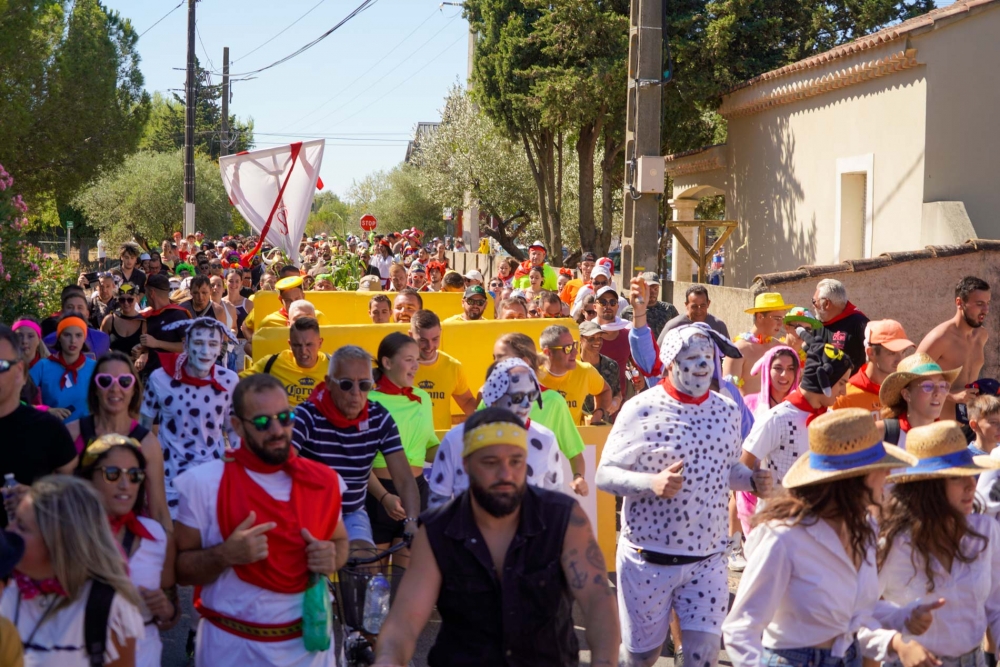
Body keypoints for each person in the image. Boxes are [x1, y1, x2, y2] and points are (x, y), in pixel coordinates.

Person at [373, 407, 619, 667]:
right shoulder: (438, 530)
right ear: (466, 464)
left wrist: (604, 662)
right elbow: (404, 622)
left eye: (516, 461)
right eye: (490, 462)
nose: (505, 474)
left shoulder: (563, 518)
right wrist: (387, 660)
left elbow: (597, 600)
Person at [597, 324, 770, 667]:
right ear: (670, 362)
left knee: (701, 655)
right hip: (648, 560)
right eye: (693, 358)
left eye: (708, 357)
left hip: (708, 560)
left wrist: (751, 481)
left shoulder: (726, 410)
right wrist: (651, 483)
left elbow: (726, 471)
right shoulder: (640, 409)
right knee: (640, 656)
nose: (704, 366)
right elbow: (605, 474)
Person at [722, 409, 930, 667]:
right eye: (881, 468)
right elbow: (740, 628)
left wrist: (903, 617)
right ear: (853, 480)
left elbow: (851, 614)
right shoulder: (784, 537)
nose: (888, 476)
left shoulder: (863, 528)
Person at [174, 374, 348, 666]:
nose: (278, 430)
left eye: (285, 417)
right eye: (263, 423)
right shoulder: (202, 484)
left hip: (309, 649)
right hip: (231, 649)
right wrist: (225, 555)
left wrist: (332, 557)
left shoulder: (324, 481)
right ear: (238, 426)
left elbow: (339, 540)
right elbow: (180, 571)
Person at [877, 420, 1000, 667]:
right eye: (956, 478)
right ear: (928, 486)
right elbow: (859, 614)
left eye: (970, 474)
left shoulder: (984, 530)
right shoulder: (894, 542)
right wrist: (898, 643)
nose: (971, 485)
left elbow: (995, 603)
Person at [2, 475, 145, 667]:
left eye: (21, 526)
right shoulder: (7, 590)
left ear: (58, 542)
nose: (9, 531)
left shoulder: (108, 608)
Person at [292, 345, 421, 553]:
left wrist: (412, 521)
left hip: (351, 511)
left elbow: (405, 477)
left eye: (364, 385)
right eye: (345, 384)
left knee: (363, 563)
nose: (355, 393)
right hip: (307, 510)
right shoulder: (306, 415)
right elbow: (281, 464)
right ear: (328, 384)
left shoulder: (379, 417)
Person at [76, 435, 177, 667]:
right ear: (89, 478)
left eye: (134, 475)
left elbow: (171, 616)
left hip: (144, 657)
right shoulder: (69, 537)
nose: (125, 484)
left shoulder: (158, 537)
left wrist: (166, 610)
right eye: (112, 473)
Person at [428, 359, 566, 508]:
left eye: (531, 395)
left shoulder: (545, 439)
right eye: (517, 398)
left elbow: (555, 503)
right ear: (492, 398)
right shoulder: (456, 440)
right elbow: (438, 503)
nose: (526, 405)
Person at [140, 318, 240, 516]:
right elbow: (143, 427)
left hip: (212, 475)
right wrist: (144, 475)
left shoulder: (229, 380)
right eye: (198, 343)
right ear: (185, 345)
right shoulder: (160, 378)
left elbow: (234, 430)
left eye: (212, 344)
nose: (205, 351)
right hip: (169, 478)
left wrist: (238, 472)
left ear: (221, 347)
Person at [65, 352, 170, 530]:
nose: (115, 388)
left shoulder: (148, 443)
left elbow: (159, 511)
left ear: (134, 389)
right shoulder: (72, 434)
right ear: (95, 389)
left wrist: (169, 555)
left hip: (131, 542)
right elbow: (58, 499)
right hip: (79, 538)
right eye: (105, 381)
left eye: (124, 381)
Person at [366, 333, 439, 564]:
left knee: (403, 581)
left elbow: (427, 448)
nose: (416, 366)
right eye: (409, 359)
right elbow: (359, 460)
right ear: (387, 363)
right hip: (376, 494)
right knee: (371, 583)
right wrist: (384, 496)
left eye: (417, 359)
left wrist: (461, 449)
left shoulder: (422, 398)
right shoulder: (367, 400)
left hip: (416, 494)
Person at [0, 326, 77, 528]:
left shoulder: (48, 430)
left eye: (0, 365)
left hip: (32, 552)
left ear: (20, 373)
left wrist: (38, 499)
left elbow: (75, 499)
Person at [492, 332, 589, 494]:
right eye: (494, 357)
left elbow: (575, 455)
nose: (495, 364)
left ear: (524, 362)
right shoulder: (491, 398)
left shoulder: (553, 401)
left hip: (537, 503)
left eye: (501, 358)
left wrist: (579, 478)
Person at [918, 276, 991, 420]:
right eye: (979, 304)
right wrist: (951, 395)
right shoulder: (940, 338)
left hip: (971, 423)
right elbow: (911, 379)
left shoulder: (982, 335)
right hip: (939, 425)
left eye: (988, 303)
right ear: (960, 302)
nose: (986, 310)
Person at [409, 310, 477, 429]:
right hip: (406, 444)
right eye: (423, 340)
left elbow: (466, 401)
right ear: (410, 335)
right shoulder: (398, 367)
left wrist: (488, 419)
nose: (430, 347)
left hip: (439, 443)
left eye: (435, 339)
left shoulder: (452, 366)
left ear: (441, 333)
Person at [832, 320, 915, 417]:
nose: (900, 360)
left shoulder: (908, 392)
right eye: (892, 353)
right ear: (871, 353)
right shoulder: (844, 396)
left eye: (903, 352)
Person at [877, 353, 959, 449]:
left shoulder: (949, 439)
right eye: (927, 386)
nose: (938, 393)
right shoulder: (881, 434)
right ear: (906, 394)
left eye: (942, 386)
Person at [241, 317, 328, 408]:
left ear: (320, 343)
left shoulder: (334, 366)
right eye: (297, 345)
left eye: (309, 345)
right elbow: (235, 383)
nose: (303, 351)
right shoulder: (272, 362)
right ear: (290, 344)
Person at [539, 324, 613, 425]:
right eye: (568, 348)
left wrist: (598, 413)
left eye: (574, 345)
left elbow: (604, 391)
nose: (575, 352)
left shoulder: (585, 371)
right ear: (548, 353)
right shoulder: (529, 374)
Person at [725, 293, 793, 396]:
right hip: (748, 411)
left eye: (782, 319)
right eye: (777, 318)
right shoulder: (739, 350)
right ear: (760, 317)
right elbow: (728, 393)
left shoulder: (781, 348)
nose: (780, 324)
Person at [31, 316, 97, 421]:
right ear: (59, 337)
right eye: (67, 335)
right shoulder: (43, 366)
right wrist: (45, 410)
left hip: (86, 433)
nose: (73, 340)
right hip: (53, 430)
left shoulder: (95, 368)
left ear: (84, 338)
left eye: (78, 335)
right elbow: (17, 401)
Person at [135, 273, 188, 379]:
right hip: (151, 375)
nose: (145, 296)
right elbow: (150, 346)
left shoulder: (177, 314)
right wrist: (142, 351)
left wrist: (157, 343)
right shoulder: (149, 315)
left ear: (152, 293)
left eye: (146, 292)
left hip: (172, 377)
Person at [812, 278, 869, 370]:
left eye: (814, 301)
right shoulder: (815, 323)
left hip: (849, 383)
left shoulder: (860, 323)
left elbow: (876, 355)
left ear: (827, 303)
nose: (813, 305)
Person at [42, 291, 111, 359]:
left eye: (80, 307)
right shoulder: (48, 341)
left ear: (87, 314)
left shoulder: (102, 338)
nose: (75, 311)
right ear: (62, 313)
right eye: (70, 307)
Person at [657, 284, 731, 344]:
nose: (699, 311)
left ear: (708, 304)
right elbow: (658, 354)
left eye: (702, 306)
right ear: (686, 305)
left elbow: (729, 355)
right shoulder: (673, 326)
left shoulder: (719, 326)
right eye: (694, 306)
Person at [578, 320, 623, 419]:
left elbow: (618, 393)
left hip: (603, 423)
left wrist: (616, 401)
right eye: (591, 338)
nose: (597, 342)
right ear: (580, 339)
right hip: (578, 423)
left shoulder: (611, 365)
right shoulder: (574, 366)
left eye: (599, 338)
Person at [621, 272, 677, 341]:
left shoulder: (669, 309)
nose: (653, 292)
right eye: (649, 289)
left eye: (656, 289)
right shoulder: (628, 311)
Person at [101, 285, 144, 357]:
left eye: (130, 300)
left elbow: (150, 349)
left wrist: (143, 354)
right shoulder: (109, 320)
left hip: (135, 367)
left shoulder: (143, 322)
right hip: (113, 365)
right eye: (122, 300)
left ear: (137, 298)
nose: (126, 303)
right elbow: (100, 346)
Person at [210, 275, 240, 370]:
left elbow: (235, 327)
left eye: (219, 285)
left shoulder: (230, 307)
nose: (215, 288)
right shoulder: (203, 307)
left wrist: (232, 333)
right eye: (212, 285)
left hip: (229, 352)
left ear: (224, 289)